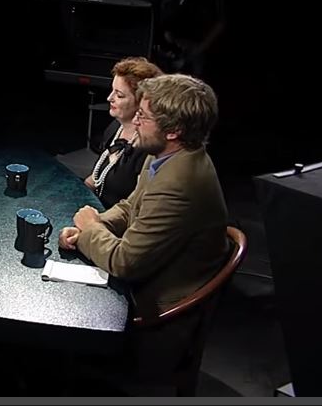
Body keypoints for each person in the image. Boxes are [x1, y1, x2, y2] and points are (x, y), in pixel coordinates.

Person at [60, 74, 228, 319]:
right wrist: (93, 227)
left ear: (173, 131)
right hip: (147, 273)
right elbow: (131, 206)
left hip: (159, 307)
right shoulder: (164, 153)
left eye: (143, 116)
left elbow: (123, 263)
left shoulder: (178, 186)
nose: (135, 122)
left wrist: (91, 228)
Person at [84, 57, 163, 209]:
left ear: (142, 102)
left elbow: (136, 208)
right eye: (112, 91)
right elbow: (96, 178)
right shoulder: (115, 127)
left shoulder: (148, 148)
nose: (109, 98)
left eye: (119, 95)